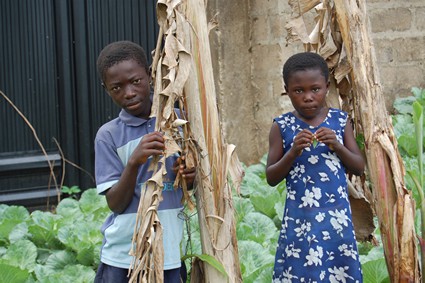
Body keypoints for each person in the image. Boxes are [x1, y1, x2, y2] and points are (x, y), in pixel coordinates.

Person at [93, 40, 195, 283]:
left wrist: (189, 178)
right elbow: (115, 204)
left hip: (169, 254)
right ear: (106, 89)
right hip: (124, 258)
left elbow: (188, 189)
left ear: (150, 75)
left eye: (135, 81)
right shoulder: (109, 135)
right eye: (117, 87)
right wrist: (133, 163)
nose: (128, 93)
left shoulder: (179, 122)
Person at [266, 52, 365, 282]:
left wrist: (337, 146)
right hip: (300, 221)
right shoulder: (282, 126)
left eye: (315, 89)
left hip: (336, 221)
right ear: (286, 90)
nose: (308, 97)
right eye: (298, 91)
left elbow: (359, 167)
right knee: (302, 273)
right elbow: (271, 177)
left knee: (339, 273)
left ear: (327, 87)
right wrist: (292, 152)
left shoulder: (340, 121)